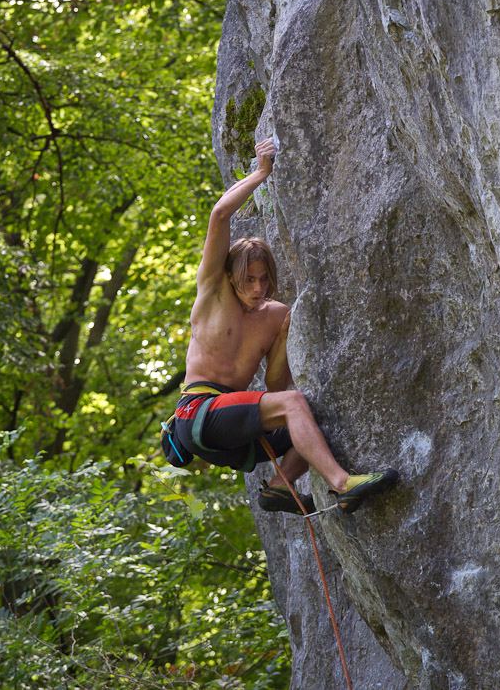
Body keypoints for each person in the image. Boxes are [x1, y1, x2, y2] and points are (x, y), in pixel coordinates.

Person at [161, 137, 398, 515]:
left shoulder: (275, 314)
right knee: (293, 405)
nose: (258, 288)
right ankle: (342, 484)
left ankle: (278, 488)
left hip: (234, 437)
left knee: (313, 417)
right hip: (198, 415)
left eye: (264, 279)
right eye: (249, 280)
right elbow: (219, 215)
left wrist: (285, 333)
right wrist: (261, 172)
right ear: (231, 277)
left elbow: (274, 387)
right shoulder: (213, 293)